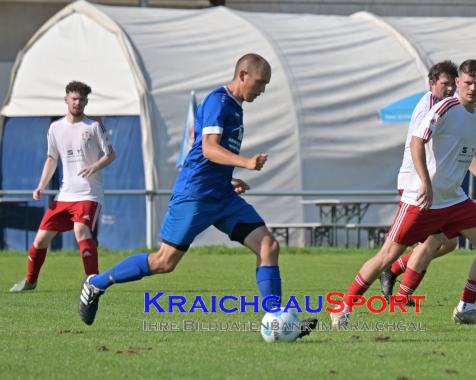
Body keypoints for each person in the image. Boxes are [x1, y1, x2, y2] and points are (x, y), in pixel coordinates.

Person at [77, 54, 317, 337]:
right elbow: (208, 149)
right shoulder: (219, 102)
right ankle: (96, 283)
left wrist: (229, 179)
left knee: (268, 246)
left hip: (221, 195)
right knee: (164, 262)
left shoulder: (236, 107)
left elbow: (214, 157)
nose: (262, 90)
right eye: (260, 82)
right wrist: (246, 162)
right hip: (196, 194)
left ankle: (277, 318)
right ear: (242, 75)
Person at [331, 59, 476, 326]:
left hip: (453, 199)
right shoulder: (443, 107)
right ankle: (343, 306)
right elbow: (416, 141)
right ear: (458, 82)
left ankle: (465, 308)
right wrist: (425, 181)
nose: (472, 88)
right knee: (388, 255)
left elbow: (468, 153)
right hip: (424, 200)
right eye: (467, 82)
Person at [9, 81, 115, 292]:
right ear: (66, 99)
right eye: (74, 99)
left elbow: (111, 154)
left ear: (86, 102)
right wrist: (40, 186)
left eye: (82, 99)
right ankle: (30, 281)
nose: (78, 103)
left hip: (88, 194)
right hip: (65, 195)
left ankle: (93, 283)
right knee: (40, 240)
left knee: (81, 231)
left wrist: (94, 166)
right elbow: (51, 159)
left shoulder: (93, 126)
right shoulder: (55, 128)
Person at [379, 60, 459, 303]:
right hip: (417, 181)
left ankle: (392, 270)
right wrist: (426, 181)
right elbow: (419, 146)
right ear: (432, 83)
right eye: (445, 84)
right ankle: (402, 294)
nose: (450, 89)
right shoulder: (428, 108)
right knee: (434, 240)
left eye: (452, 85)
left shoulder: (445, 106)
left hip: (428, 180)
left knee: (450, 242)